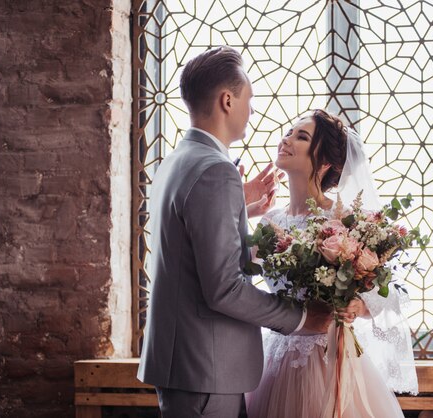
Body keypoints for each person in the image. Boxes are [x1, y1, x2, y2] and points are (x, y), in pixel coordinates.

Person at [137, 47, 333, 418]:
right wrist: (305, 318)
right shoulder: (216, 170)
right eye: (249, 99)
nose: (252, 110)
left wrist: (238, 210)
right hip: (206, 367)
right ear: (227, 100)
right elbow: (224, 288)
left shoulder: (176, 161)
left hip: (186, 361)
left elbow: (186, 249)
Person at [245, 109, 418, 418]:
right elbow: (233, 273)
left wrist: (358, 306)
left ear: (324, 164)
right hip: (277, 360)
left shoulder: (343, 219)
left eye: (301, 136)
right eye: (288, 132)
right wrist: (244, 212)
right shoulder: (270, 222)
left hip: (330, 360)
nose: (286, 140)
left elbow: (393, 291)